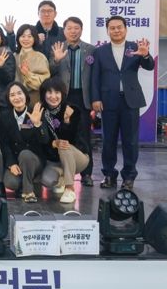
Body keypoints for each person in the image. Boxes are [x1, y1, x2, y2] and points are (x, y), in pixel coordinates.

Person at [91, 15, 154, 191]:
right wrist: (95, 98)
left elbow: (150, 66)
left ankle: (129, 177)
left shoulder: (136, 47)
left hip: (130, 101)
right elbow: (95, 77)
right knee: (108, 141)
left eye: (119, 27)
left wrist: (145, 55)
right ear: (107, 31)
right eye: (112, 28)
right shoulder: (100, 51)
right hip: (108, 102)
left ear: (125, 29)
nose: (116, 30)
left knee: (130, 141)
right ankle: (109, 175)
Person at [49, 16, 96, 186]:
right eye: (69, 28)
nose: (73, 31)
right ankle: (62, 173)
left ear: (81, 30)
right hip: (63, 98)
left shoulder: (91, 50)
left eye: (76, 28)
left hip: (83, 98)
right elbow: (50, 71)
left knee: (84, 135)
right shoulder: (57, 48)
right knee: (63, 134)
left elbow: (95, 76)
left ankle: (86, 174)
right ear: (64, 30)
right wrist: (56, 60)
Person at [39, 77, 90, 204]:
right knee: (47, 180)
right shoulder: (41, 113)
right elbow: (41, 142)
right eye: (49, 92)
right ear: (44, 94)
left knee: (64, 145)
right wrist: (52, 143)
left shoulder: (73, 110)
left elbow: (79, 140)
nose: (53, 96)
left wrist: (67, 122)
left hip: (78, 157)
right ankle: (61, 180)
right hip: (55, 161)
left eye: (57, 92)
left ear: (62, 94)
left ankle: (69, 189)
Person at [0, 82, 48, 203]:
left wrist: (37, 124)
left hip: (34, 160)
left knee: (25, 154)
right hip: (16, 161)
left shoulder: (36, 112)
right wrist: (11, 164)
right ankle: (29, 180)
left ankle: (28, 192)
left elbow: (45, 140)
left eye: (19, 93)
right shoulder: (4, 117)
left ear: (25, 95)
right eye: (12, 95)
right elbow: (4, 144)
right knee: (11, 183)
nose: (16, 97)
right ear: (8, 99)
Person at [14, 24, 50, 106]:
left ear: (34, 38)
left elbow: (45, 82)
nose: (26, 39)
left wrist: (28, 74)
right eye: (23, 36)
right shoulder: (14, 56)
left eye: (29, 36)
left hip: (35, 100)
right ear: (18, 38)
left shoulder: (40, 57)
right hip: (16, 100)